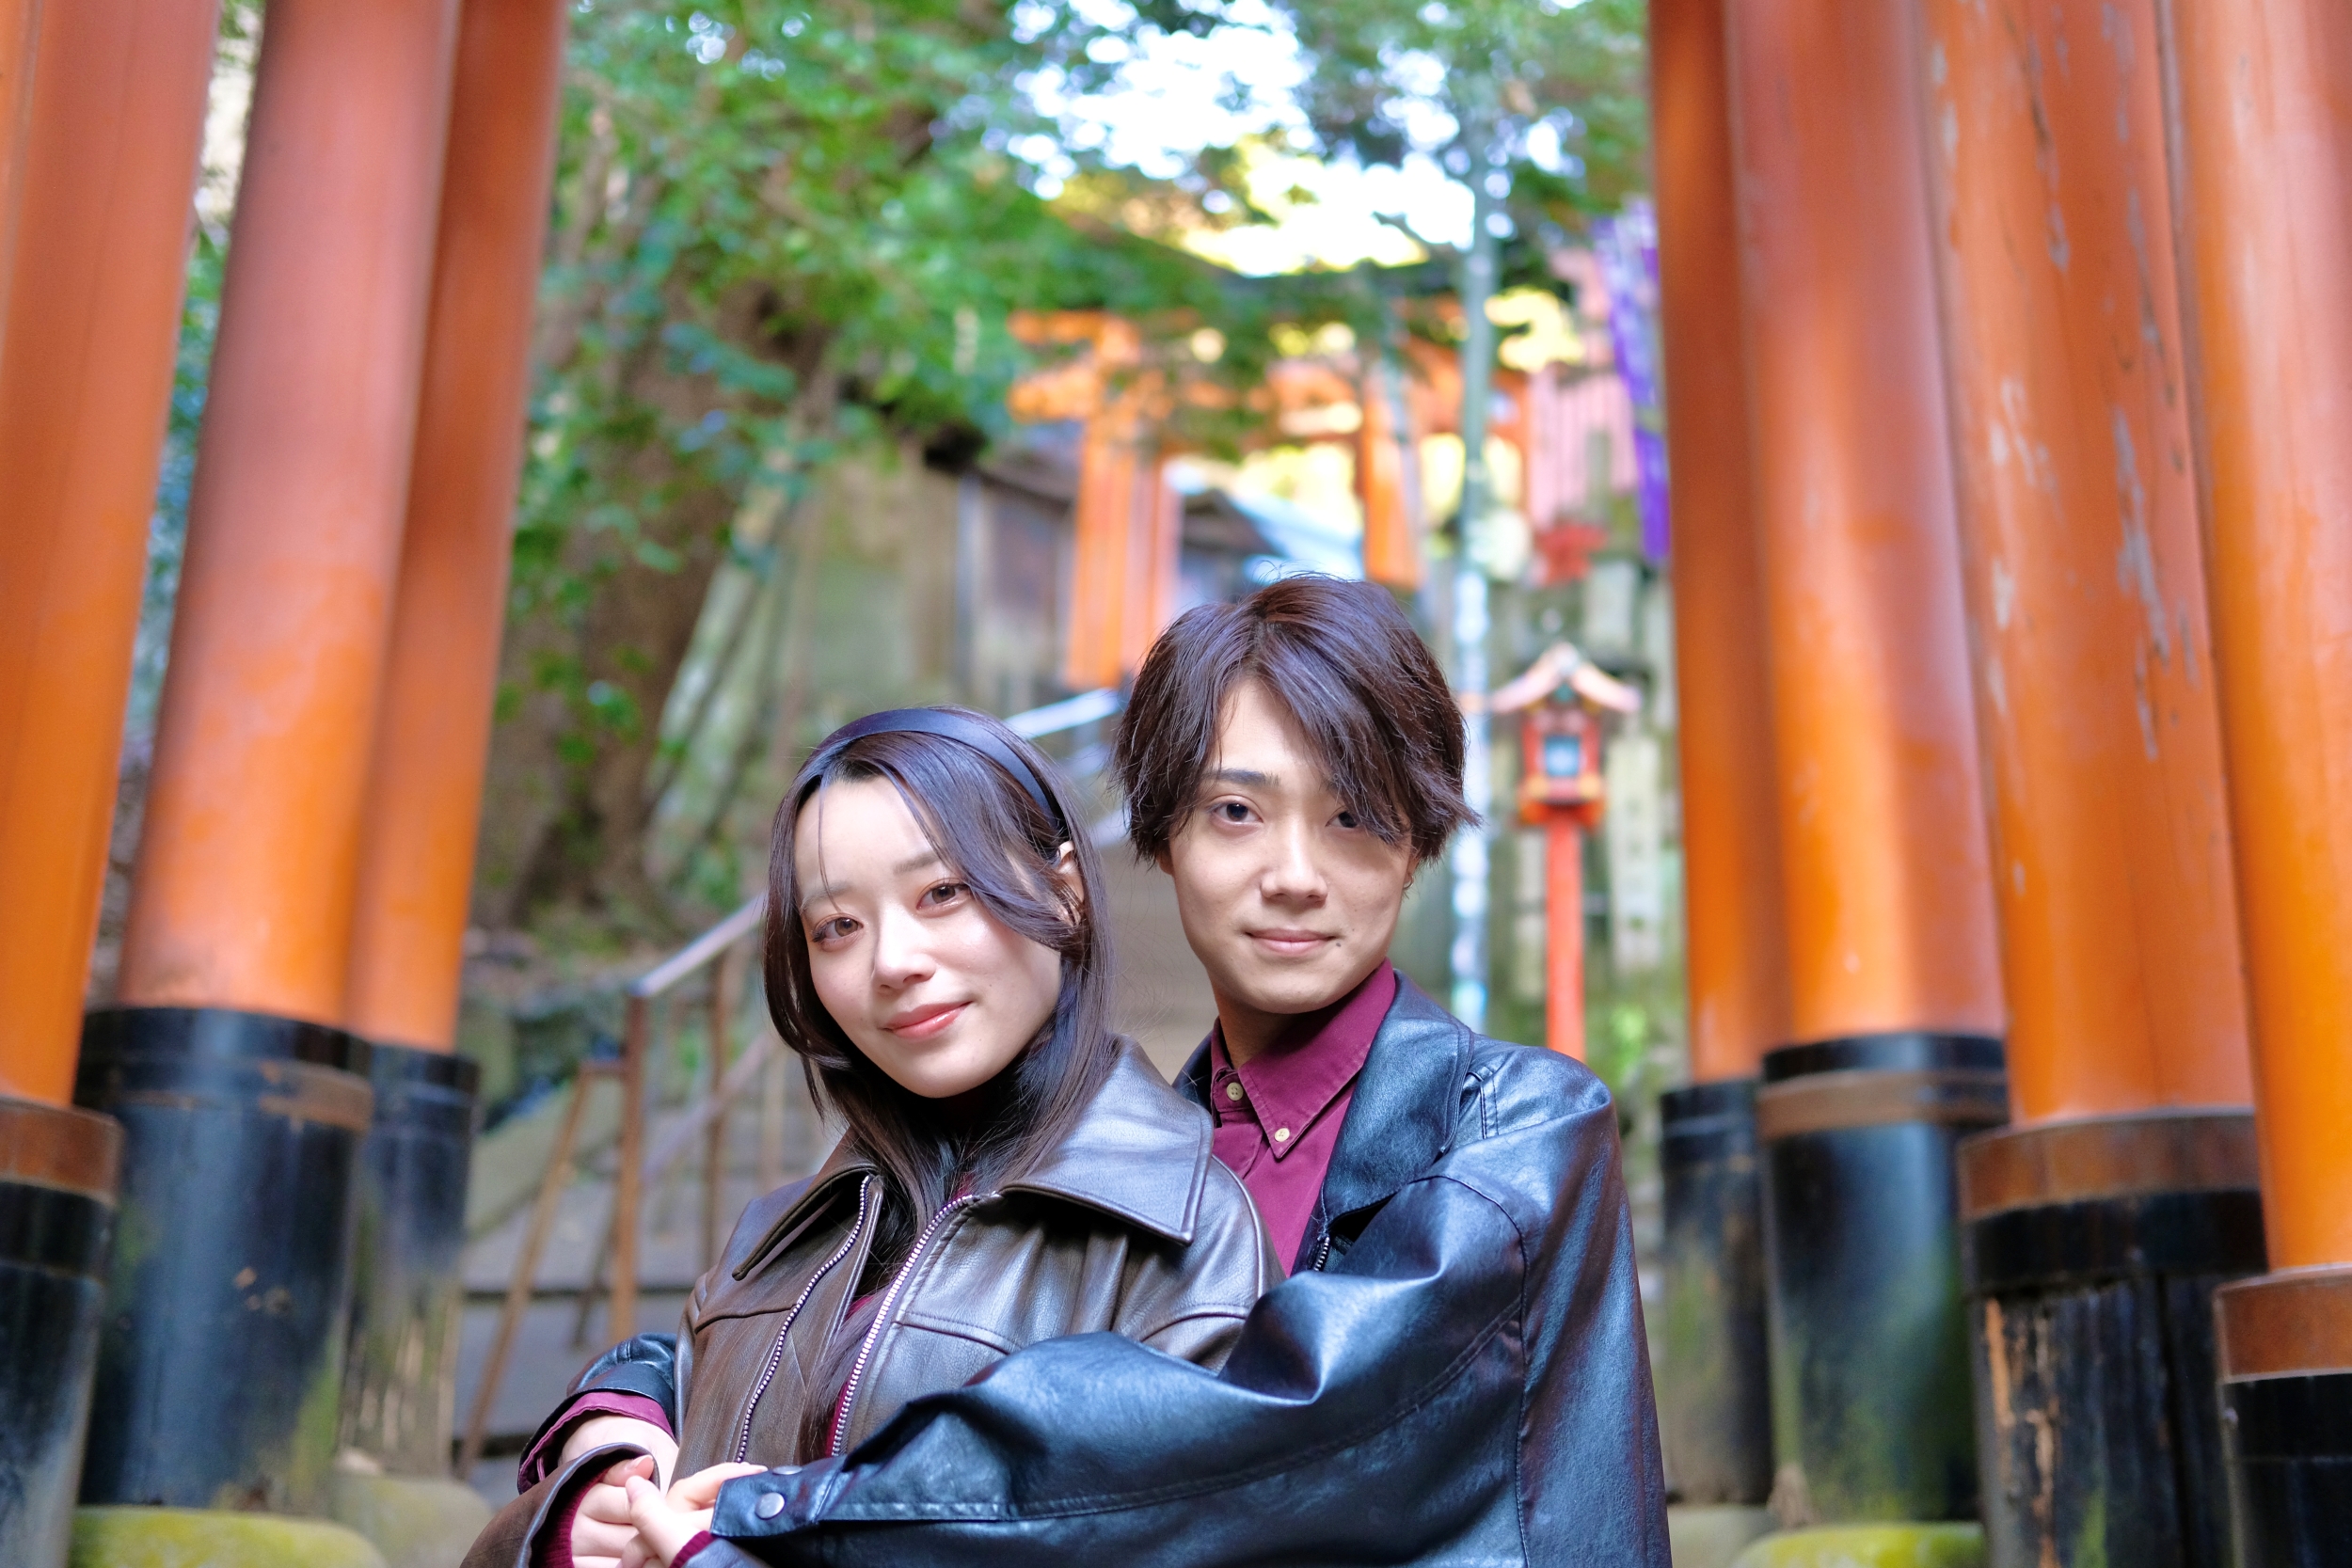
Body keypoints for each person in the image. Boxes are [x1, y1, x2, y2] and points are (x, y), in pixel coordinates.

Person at [615, 575, 1671, 1567]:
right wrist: (617, 1415)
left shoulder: (1520, 1131)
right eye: (1236, 812)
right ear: (1159, 835)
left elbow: (1280, 1424)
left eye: (1352, 814)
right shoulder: (1135, 1165)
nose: (1294, 876)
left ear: (1416, 839)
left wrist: (804, 1508)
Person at [460, 707, 1277, 1568]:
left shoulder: (1186, 1246)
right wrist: (582, 1512)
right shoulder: (775, 1242)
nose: (892, 960)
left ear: (1065, 890)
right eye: (837, 927)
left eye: (942, 893)